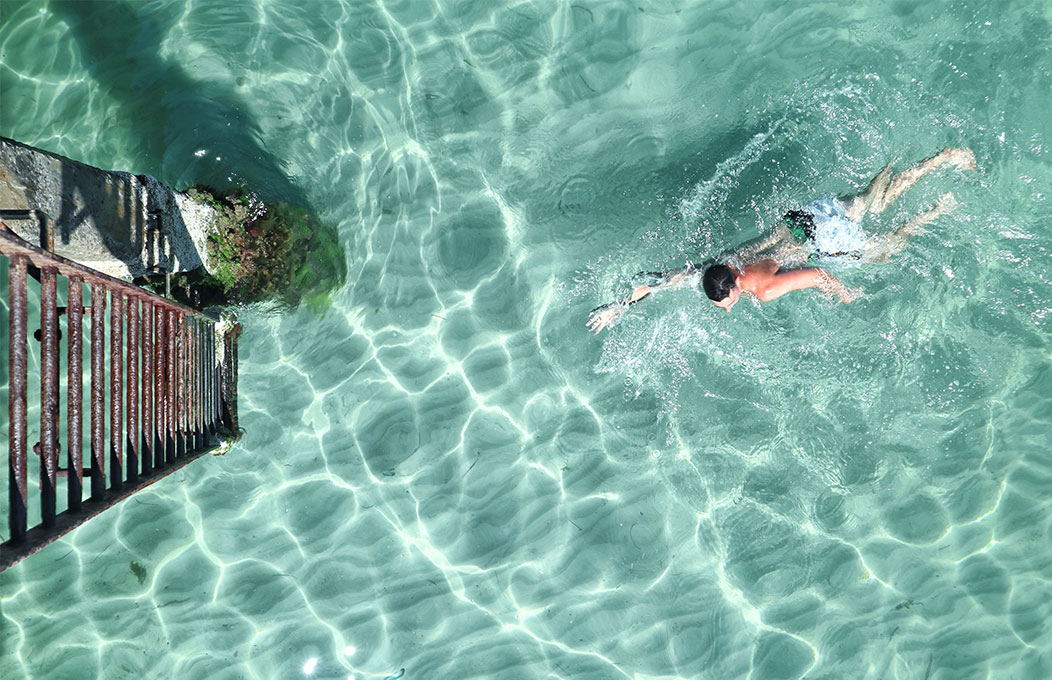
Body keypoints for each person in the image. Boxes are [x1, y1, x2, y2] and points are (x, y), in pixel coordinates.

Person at [587, 147, 976, 333]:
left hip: (824, 237)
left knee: (886, 249)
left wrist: (845, 296)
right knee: (873, 198)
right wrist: (617, 307)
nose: (724, 309)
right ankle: (943, 157)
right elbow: (659, 280)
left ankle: (939, 209)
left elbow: (816, 274)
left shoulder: (764, 289)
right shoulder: (718, 265)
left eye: (727, 303)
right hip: (805, 217)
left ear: (736, 286)